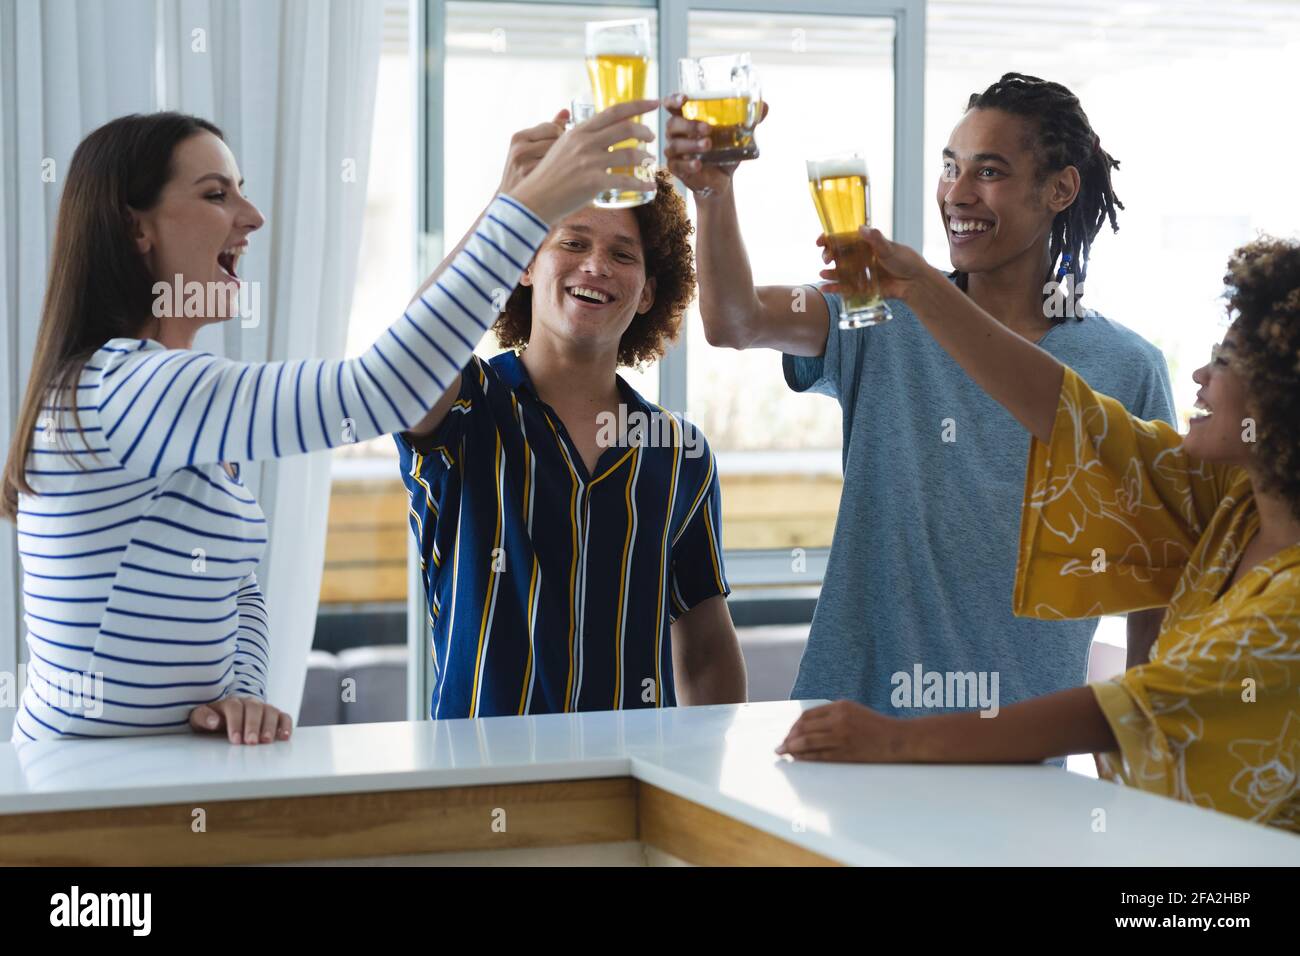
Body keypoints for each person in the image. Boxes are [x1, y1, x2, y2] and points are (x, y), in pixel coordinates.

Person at [2, 100, 658, 744]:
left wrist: (243, 694)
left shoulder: (164, 400)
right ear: (136, 229)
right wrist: (527, 210)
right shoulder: (132, 389)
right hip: (78, 800)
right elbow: (382, 388)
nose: (251, 217)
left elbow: (238, 591)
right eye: (215, 195)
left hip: (154, 784)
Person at [665, 72, 1174, 727]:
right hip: (845, 735)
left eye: (988, 172)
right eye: (950, 167)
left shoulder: (1127, 368)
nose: (957, 194)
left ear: (1059, 188)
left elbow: (1153, 593)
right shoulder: (878, 312)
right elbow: (734, 320)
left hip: (1015, 754)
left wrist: (1142, 762)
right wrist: (713, 195)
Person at [778, 230, 1300, 832]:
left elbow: (1130, 708)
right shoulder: (1233, 502)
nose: (1202, 374)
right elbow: (1070, 413)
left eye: (1228, 361)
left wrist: (894, 740)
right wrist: (920, 287)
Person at [396, 110, 746, 718]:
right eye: (573, 242)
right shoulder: (467, 407)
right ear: (525, 265)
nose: (595, 266)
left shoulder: (678, 453)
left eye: (622, 254)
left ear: (647, 293)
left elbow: (707, 651)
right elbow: (407, 358)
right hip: (479, 788)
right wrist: (510, 202)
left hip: (628, 788)